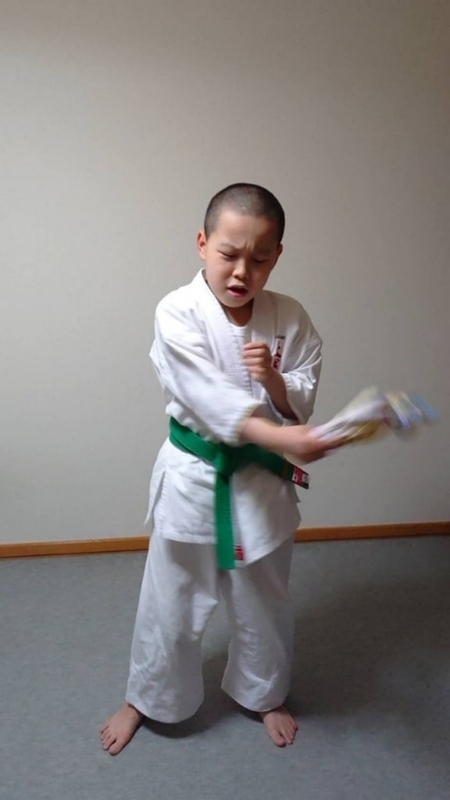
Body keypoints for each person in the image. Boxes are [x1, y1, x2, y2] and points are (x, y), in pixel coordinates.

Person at [101, 182, 333, 755]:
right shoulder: (177, 311)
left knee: (265, 600)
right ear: (203, 243)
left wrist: (276, 384)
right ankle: (147, 697)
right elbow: (206, 396)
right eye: (229, 253)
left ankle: (263, 692)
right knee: (171, 601)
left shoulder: (290, 317)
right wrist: (281, 436)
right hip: (194, 479)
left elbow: (302, 393)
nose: (242, 271)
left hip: (261, 487)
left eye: (260, 258)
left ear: (277, 256)